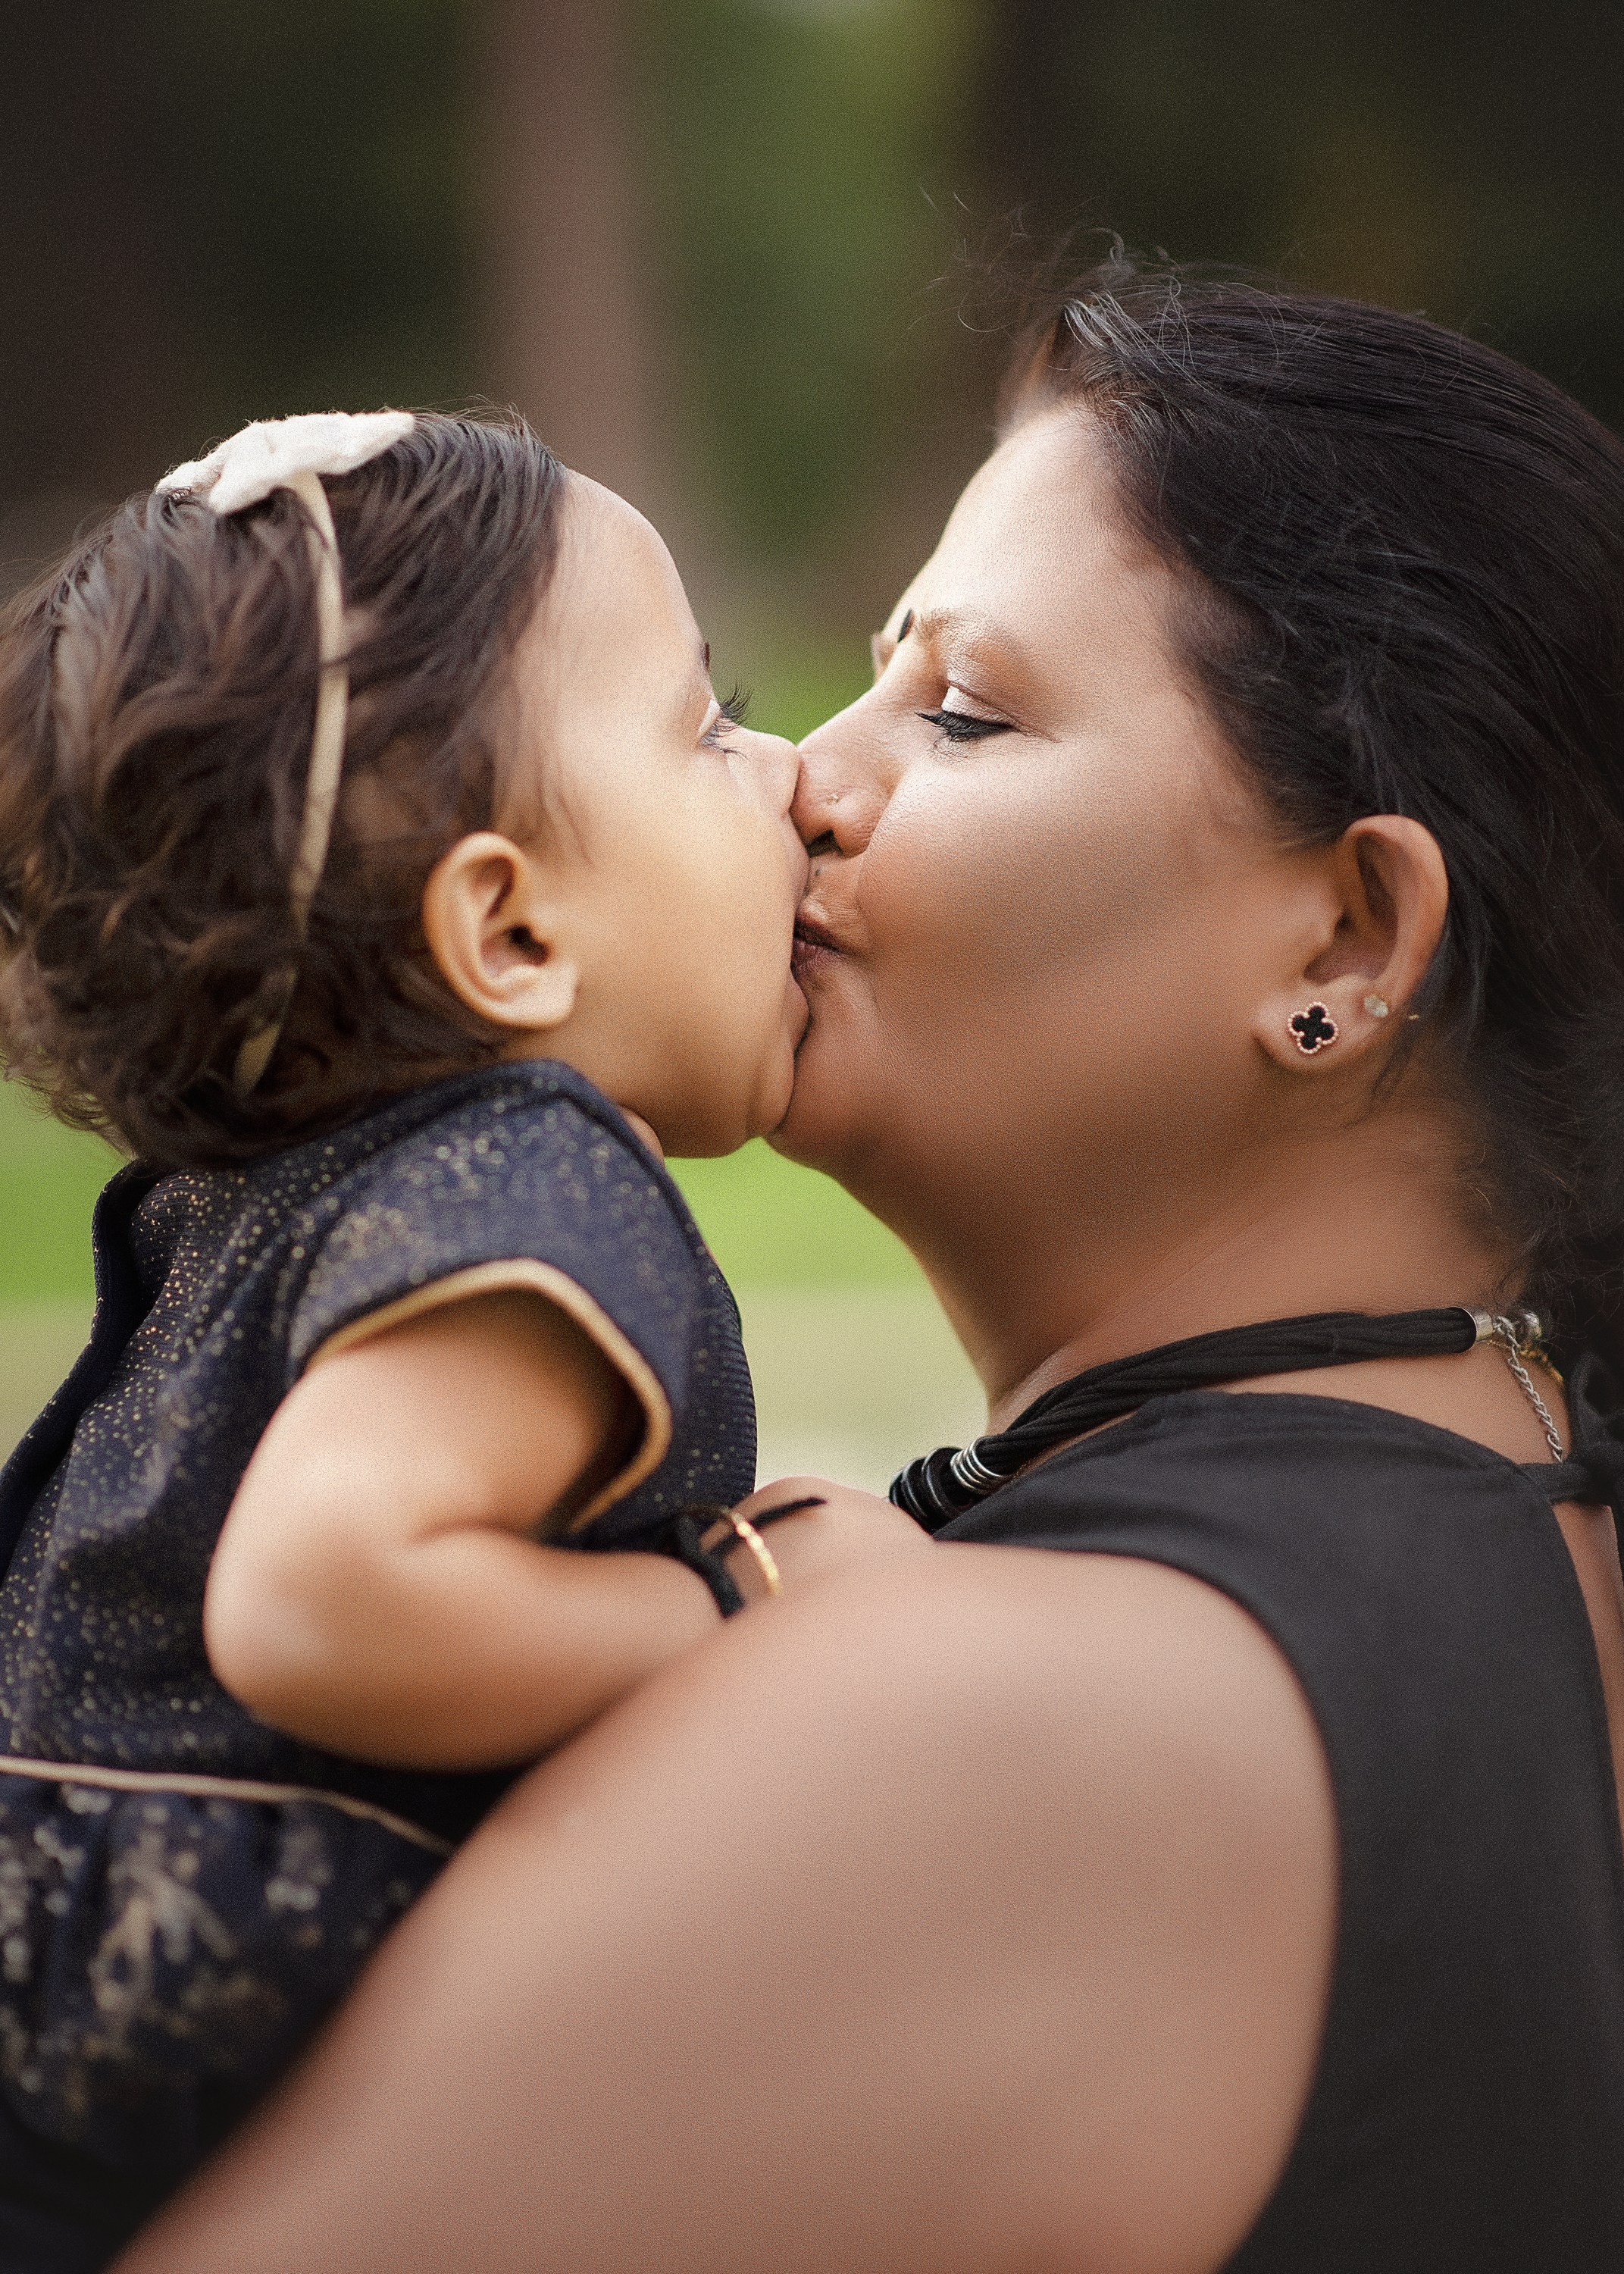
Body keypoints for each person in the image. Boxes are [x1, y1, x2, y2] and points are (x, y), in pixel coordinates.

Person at [114, 262, 1624, 2272]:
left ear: (1345, 942)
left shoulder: (1006, 1739)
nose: (804, 774)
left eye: (966, 714)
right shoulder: (1525, 1521)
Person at [0, 408, 919, 2269]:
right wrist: (741, 1606)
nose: (788, 775)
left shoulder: (271, 1191)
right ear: (505, 932)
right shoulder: (533, 1176)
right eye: (708, 726)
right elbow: (324, 1601)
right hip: (176, 2041)